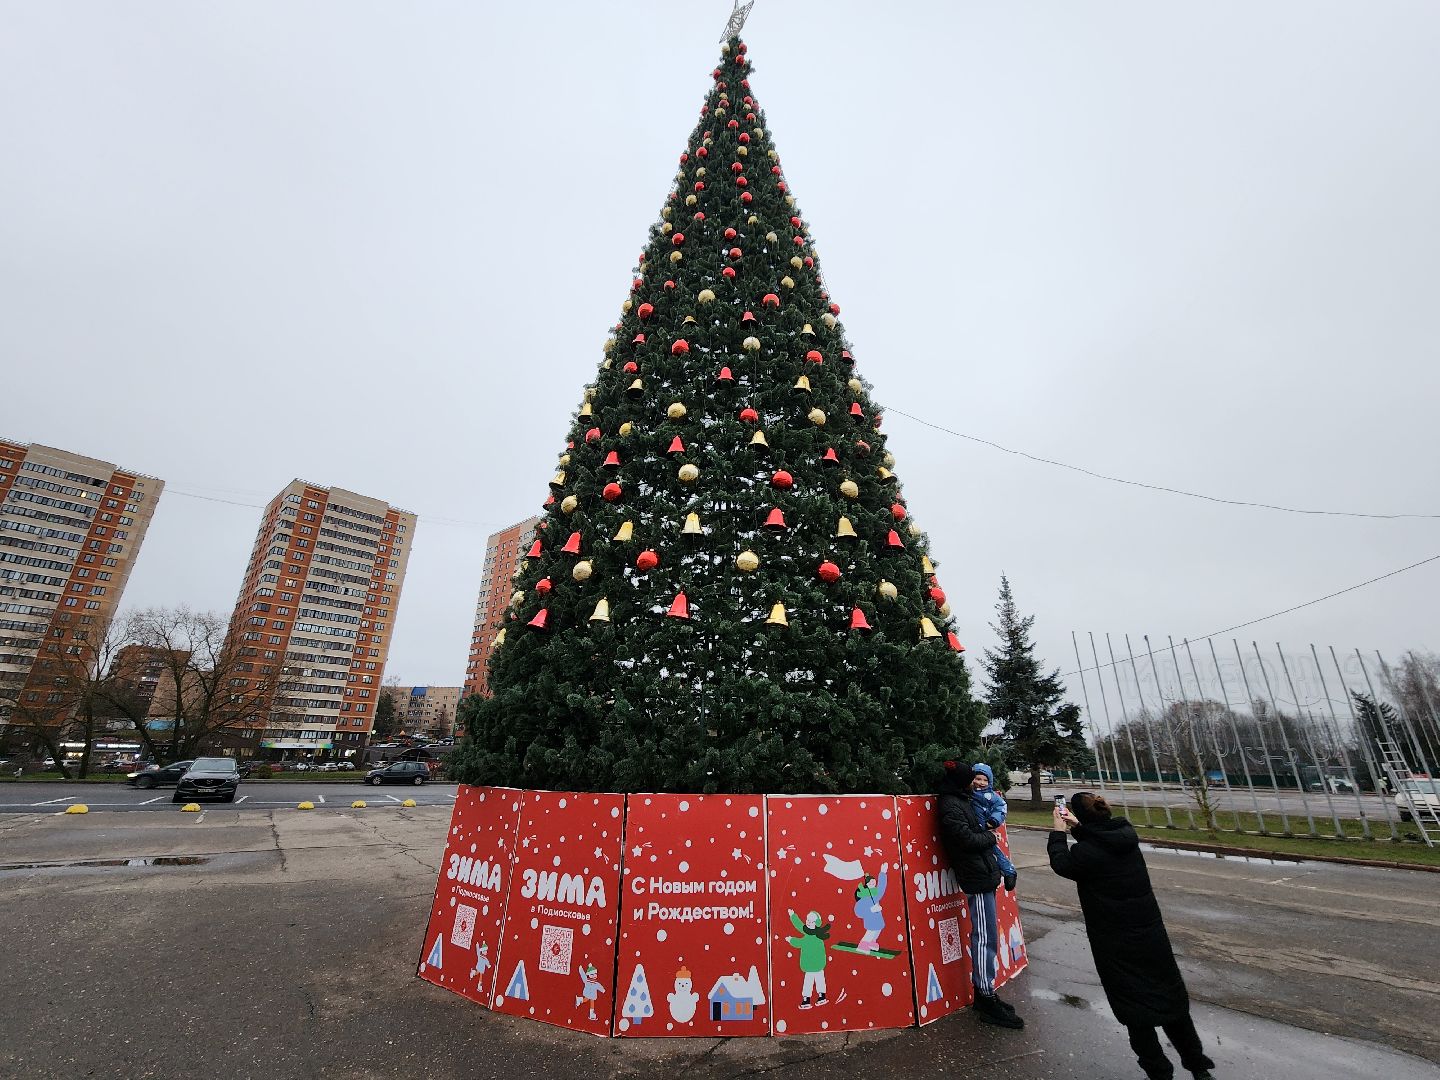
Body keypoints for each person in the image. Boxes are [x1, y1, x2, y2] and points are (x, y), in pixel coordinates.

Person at [1050, 793, 1216, 1080]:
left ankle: (1159, 1072)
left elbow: (1062, 864)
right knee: (1172, 1004)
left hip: (1115, 940)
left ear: (1081, 815)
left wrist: (1058, 831)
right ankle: (1199, 1068)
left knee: (1135, 1012)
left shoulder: (1086, 854)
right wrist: (1078, 827)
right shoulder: (1125, 836)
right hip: (1151, 935)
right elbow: (1101, 841)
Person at [938, 761, 1024, 1029]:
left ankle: (986, 992)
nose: (973, 784)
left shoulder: (963, 801)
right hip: (975, 876)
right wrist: (990, 838)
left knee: (987, 934)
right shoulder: (951, 805)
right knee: (984, 936)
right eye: (969, 780)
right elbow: (966, 838)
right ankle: (985, 996)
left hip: (984, 872)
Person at [970, 763, 1018, 891]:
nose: (981, 783)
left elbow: (1001, 807)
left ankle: (1009, 871)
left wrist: (993, 821)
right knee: (988, 854)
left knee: (994, 851)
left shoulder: (991, 796)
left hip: (987, 828)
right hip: (976, 830)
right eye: (978, 779)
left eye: (985, 780)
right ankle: (1004, 871)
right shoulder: (969, 794)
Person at [785, 908, 831, 1008]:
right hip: (812, 965)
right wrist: (793, 915)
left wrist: (790, 939)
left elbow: (799, 943)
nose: (808, 922)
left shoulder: (816, 936)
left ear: (817, 923)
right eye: (808, 920)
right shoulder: (808, 932)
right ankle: (809, 999)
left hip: (815, 965)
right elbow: (799, 925)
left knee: (816, 980)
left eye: (811, 921)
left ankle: (818, 997)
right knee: (811, 981)